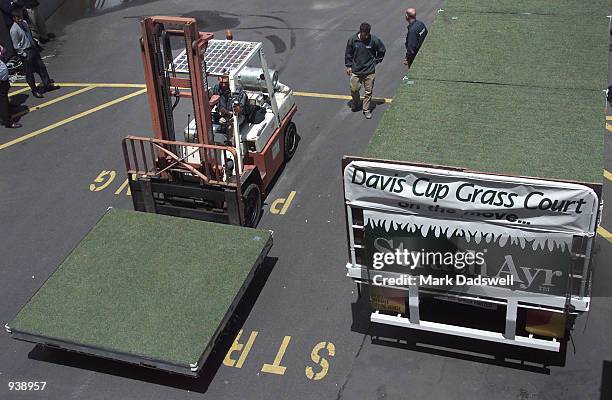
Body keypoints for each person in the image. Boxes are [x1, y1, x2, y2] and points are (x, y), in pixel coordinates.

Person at [9, 7, 56, 98]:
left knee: (41, 67)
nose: (20, 19)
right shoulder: (14, 30)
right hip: (26, 52)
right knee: (29, 73)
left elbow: (28, 34)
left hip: (32, 49)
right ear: (14, 18)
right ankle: (34, 90)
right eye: (17, 17)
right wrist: (24, 54)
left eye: (21, 16)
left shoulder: (25, 23)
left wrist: (34, 42)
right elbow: (16, 46)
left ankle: (47, 84)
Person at [345, 22, 385, 119]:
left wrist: (376, 61)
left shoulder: (374, 40)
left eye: (368, 34)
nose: (366, 36)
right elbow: (348, 53)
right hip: (356, 70)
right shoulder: (353, 40)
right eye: (364, 34)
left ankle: (366, 109)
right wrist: (349, 66)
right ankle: (356, 101)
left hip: (369, 71)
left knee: (368, 92)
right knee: (354, 89)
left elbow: (382, 50)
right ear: (360, 31)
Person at [0, 44, 21, 127]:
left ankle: (6, 113)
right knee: (2, 101)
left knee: (4, 98)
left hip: (3, 79)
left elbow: (3, 50)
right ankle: (8, 122)